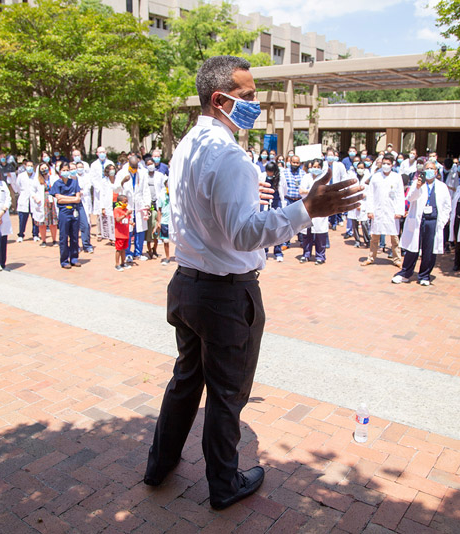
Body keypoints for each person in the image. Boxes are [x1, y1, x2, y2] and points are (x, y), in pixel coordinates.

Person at [144, 55, 361, 511]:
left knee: (186, 380)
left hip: (187, 284)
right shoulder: (229, 154)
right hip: (224, 294)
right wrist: (307, 209)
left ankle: (159, 463)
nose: (255, 105)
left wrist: (247, 198)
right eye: (246, 97)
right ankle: (224, 483)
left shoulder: (191, 144)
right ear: (220, 99)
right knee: (226, 395)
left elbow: (207, 209)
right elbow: (242, 234)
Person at [392, 160, 451, 285]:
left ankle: (424, 275)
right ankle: (405, 273)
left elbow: (447, 206)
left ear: (436, 172)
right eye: (427, 169)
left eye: (432, 169)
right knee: (412, 249)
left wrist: (443, 221)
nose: (430, 171)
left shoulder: (442, 187)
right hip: (419, 220)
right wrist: (418, 187)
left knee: (429, 249)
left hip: (433, 221)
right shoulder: (416, 184)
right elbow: (410, 198)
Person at [360, 154, 404, 266]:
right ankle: (371, 257)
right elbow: (370, 194)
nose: (385, 166)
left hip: (392, 210)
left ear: (392, 165)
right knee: (374, 236)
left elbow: (400, 195)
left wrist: (399, 211)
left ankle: (397, 259)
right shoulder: (376, 177)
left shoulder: (397, 177)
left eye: (388, 164)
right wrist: (370, 210)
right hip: (378, 210)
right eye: (384, 163)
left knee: (394, 237)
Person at [117, 155, 151, 262]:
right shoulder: (122, 173)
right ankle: (127, 253)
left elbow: (146, 190)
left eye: (136, 166)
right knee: (127, 229)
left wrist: (147, 205)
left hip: (139, 206)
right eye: (132, 166)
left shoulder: (142, 173)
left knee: (140, 230)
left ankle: (138, 253)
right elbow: (115, 189)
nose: (134, 168)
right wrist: (122, 182)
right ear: (128, 164)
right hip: (127, 206)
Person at [50, 163, 82, 269]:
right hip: (64, 212)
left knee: (74, 236)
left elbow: (78, 198)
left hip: (74, 211)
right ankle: (64, 260)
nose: (66, 172)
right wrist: (71, 198)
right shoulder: (57, 184)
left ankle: (74, 258)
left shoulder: (74, 182)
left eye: (67, 170)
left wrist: (66, 198)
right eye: (63, 170)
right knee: (64, 236)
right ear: (59, 171)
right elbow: (59, 199)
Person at [298, 159, 330, 264]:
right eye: (313, 167)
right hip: (307, 208)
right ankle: (306, 254)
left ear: (321, 168)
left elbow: (323, 193)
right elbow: (301, 191)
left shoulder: (324, 178)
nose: (315, 169)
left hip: (320, 209)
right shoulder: (306, 177)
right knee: (307, 234)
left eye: (317, 167)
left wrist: (309, 192)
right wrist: (311, 192)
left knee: (320, 234)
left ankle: (320, 256)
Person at [260, 161, 286, 261]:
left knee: (278, 229)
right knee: (265, 229)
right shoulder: (262, 176)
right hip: (265, 204)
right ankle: (265, 251)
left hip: (276, 204)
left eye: (271, 172)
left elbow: (284, 190)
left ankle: (278, 252)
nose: (269, 174)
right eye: (268, 172)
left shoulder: (281, 178)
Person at [33, 163, 58, 247]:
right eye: (42, 168)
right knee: (42, 223)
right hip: (42, 202)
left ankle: (54, 240)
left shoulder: (53, 178)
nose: (44, 170)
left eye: (45, 168)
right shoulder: (36, 180)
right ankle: (43, 240)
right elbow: (32, 191)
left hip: (52, 201)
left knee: (53, 222)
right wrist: (36, 198)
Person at [16, 160, 40, 243]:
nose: (30, 167)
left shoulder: (36, 176)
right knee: (22, 219)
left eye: (31, 166)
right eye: (28, 166)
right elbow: (18, 187)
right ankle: (21, 235)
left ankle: (36, 234)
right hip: (24, 199)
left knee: (35, 218)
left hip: (34, 200)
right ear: (25, 166)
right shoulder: (21, 176)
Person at [75, 161, 94, 253]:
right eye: (78, 167)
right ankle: (76, 245)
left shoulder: (87, 176)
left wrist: (82, 192)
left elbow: (88, 187)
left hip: (85, 201)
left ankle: (86, 244)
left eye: (81, 167)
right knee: (74, 225)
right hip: (75, 202)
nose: (80, 169)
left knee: (86, 224)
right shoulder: (73, 177)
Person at [113, 193, 131, 271]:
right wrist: (125, 214)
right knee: (118, 249)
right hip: (119, 234)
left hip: (125, 233)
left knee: (124, 249)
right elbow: (117, 219)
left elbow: (127, 220)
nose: (126, 204)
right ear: (120, 202)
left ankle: (123, 262)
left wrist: (131, 223)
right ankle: (117, 264)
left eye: (127, 202)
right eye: (124, 202)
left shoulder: (126, 210)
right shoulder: (117, 210)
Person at [156, 178, 172, 265]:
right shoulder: (162, 196)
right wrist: (159, 221)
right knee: (166, 241)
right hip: (165, 221)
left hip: (174, 222)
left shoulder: (176, 195)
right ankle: (167, 257)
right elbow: (159, 209)